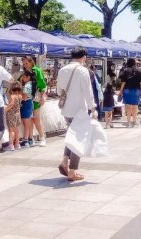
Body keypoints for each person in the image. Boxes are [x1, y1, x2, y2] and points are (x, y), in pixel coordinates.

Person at [56, 48, 96, 182]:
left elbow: (58, 90)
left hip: (66, 109)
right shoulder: (82, 71)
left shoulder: (62, 70)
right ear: (84, 57)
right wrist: (93, 107)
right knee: (78, 140)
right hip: (79, 110)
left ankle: (64, 161)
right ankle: (72, 171)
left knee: (72, 136)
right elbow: (87, 91)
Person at [22, 56, 48, 147]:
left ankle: (42, 137)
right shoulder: (25, 72)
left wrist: (43, 97)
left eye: (27, 63)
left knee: (36, 119)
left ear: (31, 62)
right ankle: (31, 138)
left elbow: (42, 85)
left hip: (35, 98)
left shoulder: (37, 70)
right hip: (29, 98)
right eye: (24, 64)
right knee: (29, 120)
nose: (25, 65)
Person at [118, 58, 141, 127]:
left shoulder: (125, 71)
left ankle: (128, 122)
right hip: (136, 90)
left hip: (127, 90)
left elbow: (123, 83)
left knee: (128, 106)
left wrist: (120, 91)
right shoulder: (139, 71)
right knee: (135, 106)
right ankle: (134, 121)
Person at [4, 82, 23, 150]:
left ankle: (11, 144)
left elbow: (11, 104)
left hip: (12, 114)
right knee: (16, 130)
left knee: (11, 130)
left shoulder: (12, 96)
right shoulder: (20, 96)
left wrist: (5, 110)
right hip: (18, 114)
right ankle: (17, 144)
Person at [19, 71, 34, 148]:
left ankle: (25, 140)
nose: (22, 78)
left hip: (26, 104)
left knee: (26, 123)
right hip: (29, 103)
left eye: (24, 77)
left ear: (28, 77)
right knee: (28, 123)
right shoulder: (31, 84)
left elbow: (24, 97)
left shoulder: (27, 85)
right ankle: (29, 139)